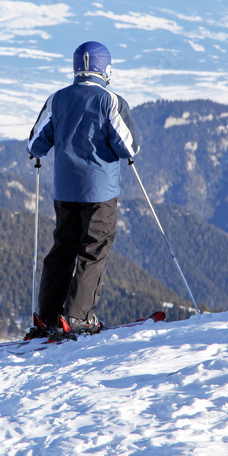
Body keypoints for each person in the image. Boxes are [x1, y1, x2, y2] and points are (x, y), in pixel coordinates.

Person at [26, 41, 141, 335]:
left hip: (65, 191)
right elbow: (129, 147)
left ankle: (49, 315)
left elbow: (35, 144)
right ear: (106, 69)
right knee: (93, 250)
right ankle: (78, 317)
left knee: (62, 248)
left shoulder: (57, 99)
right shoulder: (111, 101)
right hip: (100, 192)